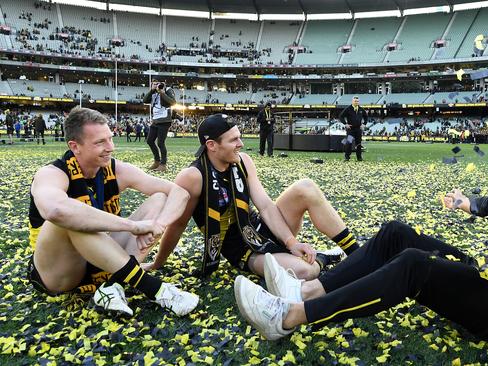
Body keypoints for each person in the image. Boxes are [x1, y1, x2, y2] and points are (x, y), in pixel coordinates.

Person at [234, 102, 488, 342]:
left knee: (415, 264)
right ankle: (305, 288)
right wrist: (465, 202)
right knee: (397, 233)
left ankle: (288, 317)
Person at [27, 106, 199, 317]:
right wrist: (133, 226)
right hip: (60, 272)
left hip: (102, 258)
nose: (111, 147)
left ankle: (111, 285)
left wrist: (158, 225)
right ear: (75, 146)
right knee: (71, 215)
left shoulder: (116, 169)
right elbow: (55, 210)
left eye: (110, 138)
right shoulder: (51, 173)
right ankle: (155, 289)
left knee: (160, 199)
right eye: (100, 142)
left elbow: (179, 193)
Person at [145, 114, 359, 281]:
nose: (241, 144)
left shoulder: (243, 160)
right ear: (212, 145)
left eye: (240, 137)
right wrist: (158, 263)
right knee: (306, 271)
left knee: (306, 187)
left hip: (260, 228)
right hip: (241, 249)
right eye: (234, 140)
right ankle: (323, 257)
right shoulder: (192, 176)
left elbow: (265, 206)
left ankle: (358, 255)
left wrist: (291, 242)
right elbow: (178, 224)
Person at [144, 81, 176, 172]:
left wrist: (162, 92)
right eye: (154, 83)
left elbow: (172, 102)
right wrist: (152, 90)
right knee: (150, 140)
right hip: (155, 120)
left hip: (165, 119)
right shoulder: (153, 92)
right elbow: (145, 100)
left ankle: (163, 164)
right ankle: (157, 161)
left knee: (160, 143)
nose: (157, 85)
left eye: (158, 83)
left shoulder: (168, 90)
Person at [339, 96, 368, 161]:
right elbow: (341, 116)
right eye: (355, 101)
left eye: (357, 101)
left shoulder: (361, 109)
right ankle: (347, 157)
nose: (356, 102)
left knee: (358, 144)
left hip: (358, 130)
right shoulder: (348, 109)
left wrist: (364, 124)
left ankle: (359, 157)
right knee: (349, 143)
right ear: (352, 101)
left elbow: (366, 117)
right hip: (351, 130)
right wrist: (345, 124)